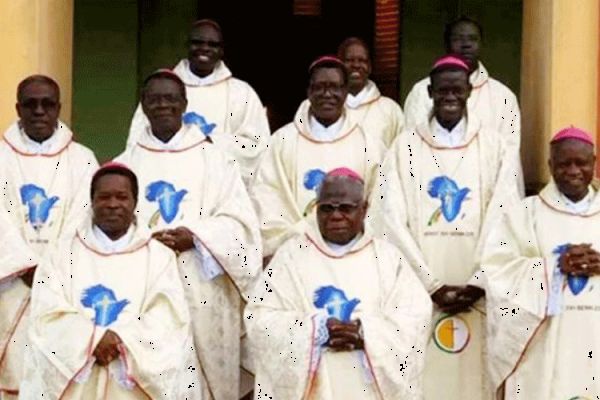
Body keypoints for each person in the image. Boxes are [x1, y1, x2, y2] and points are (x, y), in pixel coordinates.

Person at [370, 55, 521, 400]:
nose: (450, 96)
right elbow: (388, 221)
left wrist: (480, 280)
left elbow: (507, 216)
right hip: (420, 294)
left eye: (457, 89)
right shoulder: (405, 148)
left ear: (469, 91)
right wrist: (429, 285)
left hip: (478, 294)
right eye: (442, 90)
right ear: (430, 92)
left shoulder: (494, 146)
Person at [115, 70, 261, 400]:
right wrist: (144, 241)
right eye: (154, 99)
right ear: (143, 105)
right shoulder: (126, 164)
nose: (162, 105)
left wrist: (195, 236)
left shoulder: (216, 160)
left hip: (203, 288)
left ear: (184, 103)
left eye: (170, 98)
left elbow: (241, 225)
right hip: (145, 291)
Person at [19, 163, 202, 398]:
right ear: (92, 202)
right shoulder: (60, 255)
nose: (113, 204)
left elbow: (168, 317)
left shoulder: (159, 257)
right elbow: (46, 313)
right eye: (104, 197)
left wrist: (121, 340)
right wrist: (92, 339)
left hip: (132, 386)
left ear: (135, 203)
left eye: (122, 197)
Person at [246, 168, 432, 399]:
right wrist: (316, 330)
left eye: (345, 208)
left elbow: (415, 318)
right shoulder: (290, 256)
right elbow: (260, 319)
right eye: (327, 208)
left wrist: (365, 333)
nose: (335, 216)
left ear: (363, 210)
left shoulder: (388, 258)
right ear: (316, 209)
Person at [483, 127, 600, 399]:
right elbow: (498, 272)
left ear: (594, 164)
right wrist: (554, 267)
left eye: (581, 163)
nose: (573, 171)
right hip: (543, 344)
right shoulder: (525, 214)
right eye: (563, 164)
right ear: (550, 165)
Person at [0, 75, 98, 397]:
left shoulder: (82, 159)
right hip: (11, 285)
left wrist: (50, 268)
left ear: (59, 107)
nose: (39, 111)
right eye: (30, 104)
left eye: (47, 104)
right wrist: (24, 264)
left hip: (64, 284)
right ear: (18, 108)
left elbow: (84, 215)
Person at [250, 56, 385, 261]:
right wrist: (296, 237)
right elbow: (267, 196)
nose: (327, 94)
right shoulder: (282, 141)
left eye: (335, 87)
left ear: (346, 92)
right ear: (309, 92)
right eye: (320, 87)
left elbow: (380, 203)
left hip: (354, 253)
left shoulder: (370, 145)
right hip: (295, 254)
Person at [127, 19, 270, 184]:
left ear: (221, 50)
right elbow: (137, 140)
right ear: (188, 46)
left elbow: (258, 147)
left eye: (212, 44)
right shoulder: (162, 89)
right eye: (198, 43)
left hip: (219, 184)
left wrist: (211, 141)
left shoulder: (241, 93)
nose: (204, 49)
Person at [403, 17, 522, 193]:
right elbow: (411, 148)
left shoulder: (503, 97)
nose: (466, 45)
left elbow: (509, 156)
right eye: (458, 39)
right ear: (447, 44)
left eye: (472, 39)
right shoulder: (420, 92)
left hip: (485, 189)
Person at [337, 37, 404, 147]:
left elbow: (401, 154)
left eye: (362, 60)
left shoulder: (390, 109)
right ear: (339, 66)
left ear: (369, 67)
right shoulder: (326, 107)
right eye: (349, 60)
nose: (356, 65)